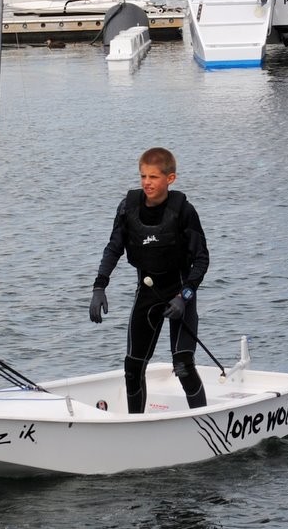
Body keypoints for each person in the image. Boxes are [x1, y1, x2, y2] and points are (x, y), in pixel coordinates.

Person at [88, 147, 209, 413]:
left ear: (170, 179)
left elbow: (201, 261)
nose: (146, 182)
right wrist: (99, 286)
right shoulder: (128, 208)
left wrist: (184, 297)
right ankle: (135, 426)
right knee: (132, 367)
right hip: (147, 292)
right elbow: (113, 248)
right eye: (143, 176)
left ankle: (203, 420)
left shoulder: (185, 212)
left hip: (179, 291)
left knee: (183, 365)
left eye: (153, 177)